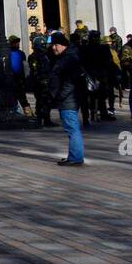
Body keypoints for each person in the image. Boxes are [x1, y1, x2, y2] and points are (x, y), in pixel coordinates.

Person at [48, 32, 87, 165]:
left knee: (72, 129)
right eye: (52, 45)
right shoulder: (68, 56)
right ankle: (74, 156)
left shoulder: (69, 59)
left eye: (56, 45)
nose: (53, 47)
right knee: (72, 128)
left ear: (63, 45)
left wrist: (59, 96)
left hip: (68, 100)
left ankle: (76, 157)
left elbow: (70, 82)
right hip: (69, 98)